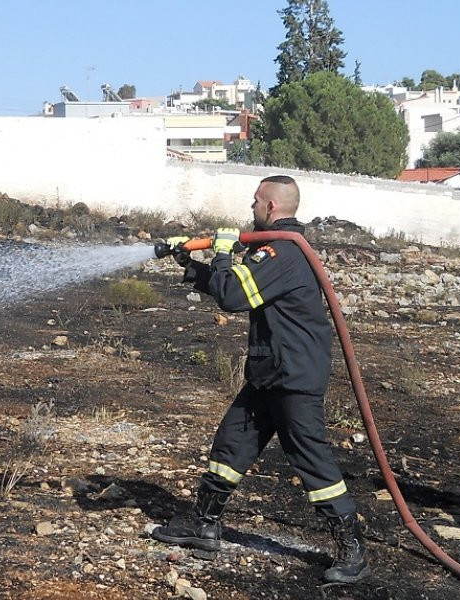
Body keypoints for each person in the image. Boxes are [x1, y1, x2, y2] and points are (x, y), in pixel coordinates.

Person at [150, 174, 372, 584]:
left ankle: (352, 547)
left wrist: (221, 254)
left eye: (255, 201)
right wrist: (192, 265)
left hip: (293, 375)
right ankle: (204, 523)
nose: (250, 208)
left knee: (311, 459)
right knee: (231, 443)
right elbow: (236, 289)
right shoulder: (274, 250)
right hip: (270, 371)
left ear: (270, 206)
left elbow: (233, 296)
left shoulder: (282, 252)